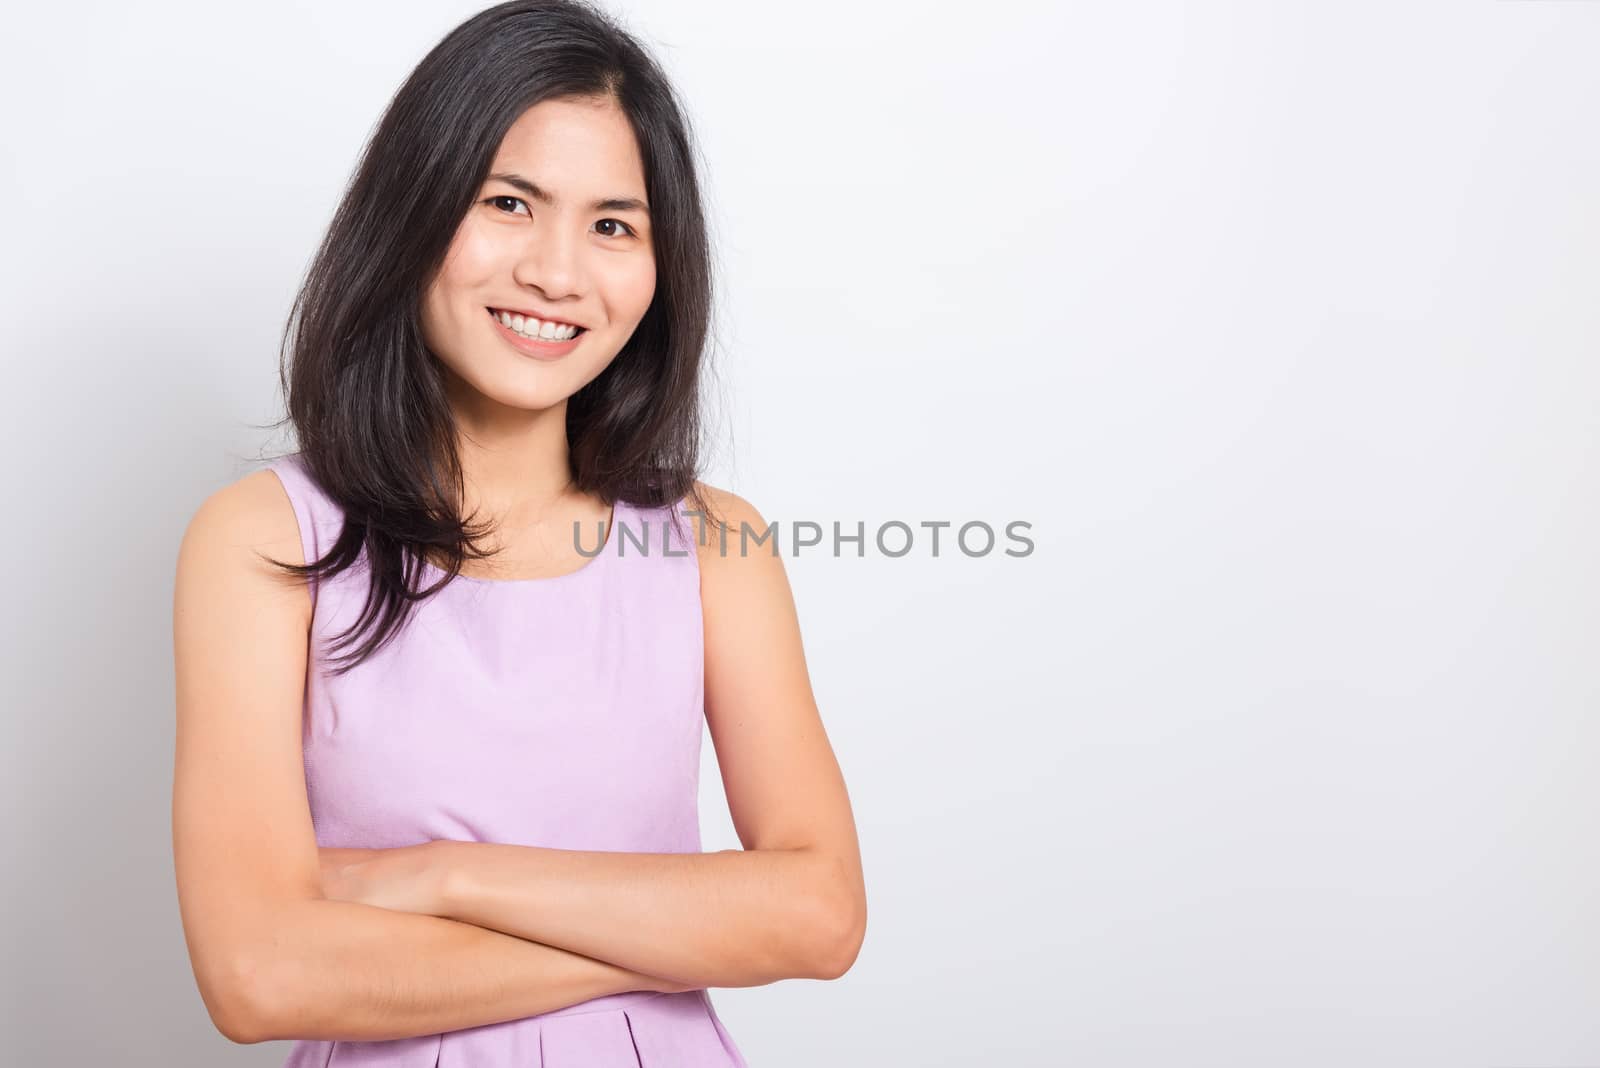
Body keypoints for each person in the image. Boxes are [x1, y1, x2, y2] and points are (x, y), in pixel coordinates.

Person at [169, 2, 867, 1064]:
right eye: (508, 202)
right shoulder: (263, 541)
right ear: (413, 210)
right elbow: (260, 977)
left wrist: (449, 877)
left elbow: (819, 915)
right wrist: (688, 932)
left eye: (613, 225)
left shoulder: (715, 544)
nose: (556, 272)